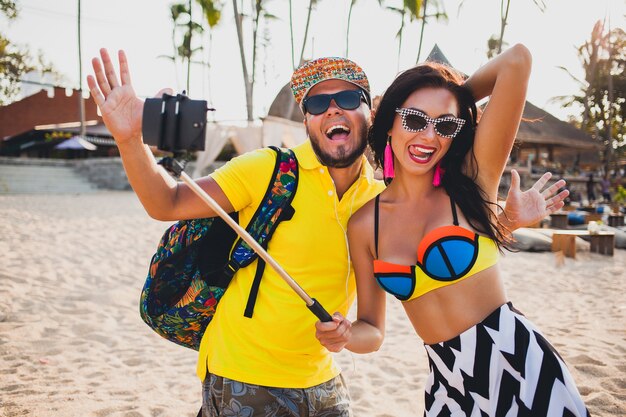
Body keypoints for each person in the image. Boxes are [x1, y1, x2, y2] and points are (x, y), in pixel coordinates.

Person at [87, 48, 569, 416]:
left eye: (347, 99)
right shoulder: (279, 175)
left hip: (346, 380)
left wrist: (437, 99)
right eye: (318, 101)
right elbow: (166, 202)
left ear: (368, 113)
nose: (333, 109)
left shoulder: (389, 197)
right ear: (308, 118)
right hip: (246, 374)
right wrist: (130, 140)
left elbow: (516, 63)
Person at [315, 45, 589, 416]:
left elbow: (517, 61)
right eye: (413, 120)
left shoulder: (474, 183)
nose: (429, 136)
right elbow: (372, 331)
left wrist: (455, 97)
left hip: (518, 365)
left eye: (444, 124)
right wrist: (345, 336)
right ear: (390, 123)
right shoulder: (364, 223)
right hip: (446, 382)